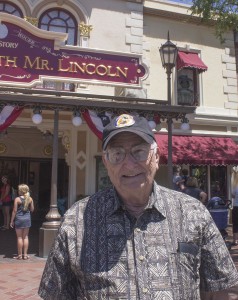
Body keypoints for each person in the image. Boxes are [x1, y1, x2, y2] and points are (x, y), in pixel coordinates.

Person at [39, 114, 238, 300]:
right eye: (117, 154)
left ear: (156, 158)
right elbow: (55, 292)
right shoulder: (77, 220)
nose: (129, 164)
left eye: (139, 152)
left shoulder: (193, 212)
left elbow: (218, 287)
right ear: (106, 163)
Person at [10, 184, 34, 260]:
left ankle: (20, 255)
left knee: (19, 237)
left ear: (21, 191)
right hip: (27, 219)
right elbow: (32, 210)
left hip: (19, 219)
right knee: (26, 237)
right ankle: (25, 255)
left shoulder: (17, 199)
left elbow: (14, 211)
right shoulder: (30, 199)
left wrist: (11, 221)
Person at [231, 168, 238, 246]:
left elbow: (232, 195)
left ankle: (235, 240)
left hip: (236, 206)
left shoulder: (235, 186)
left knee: (235, 223)